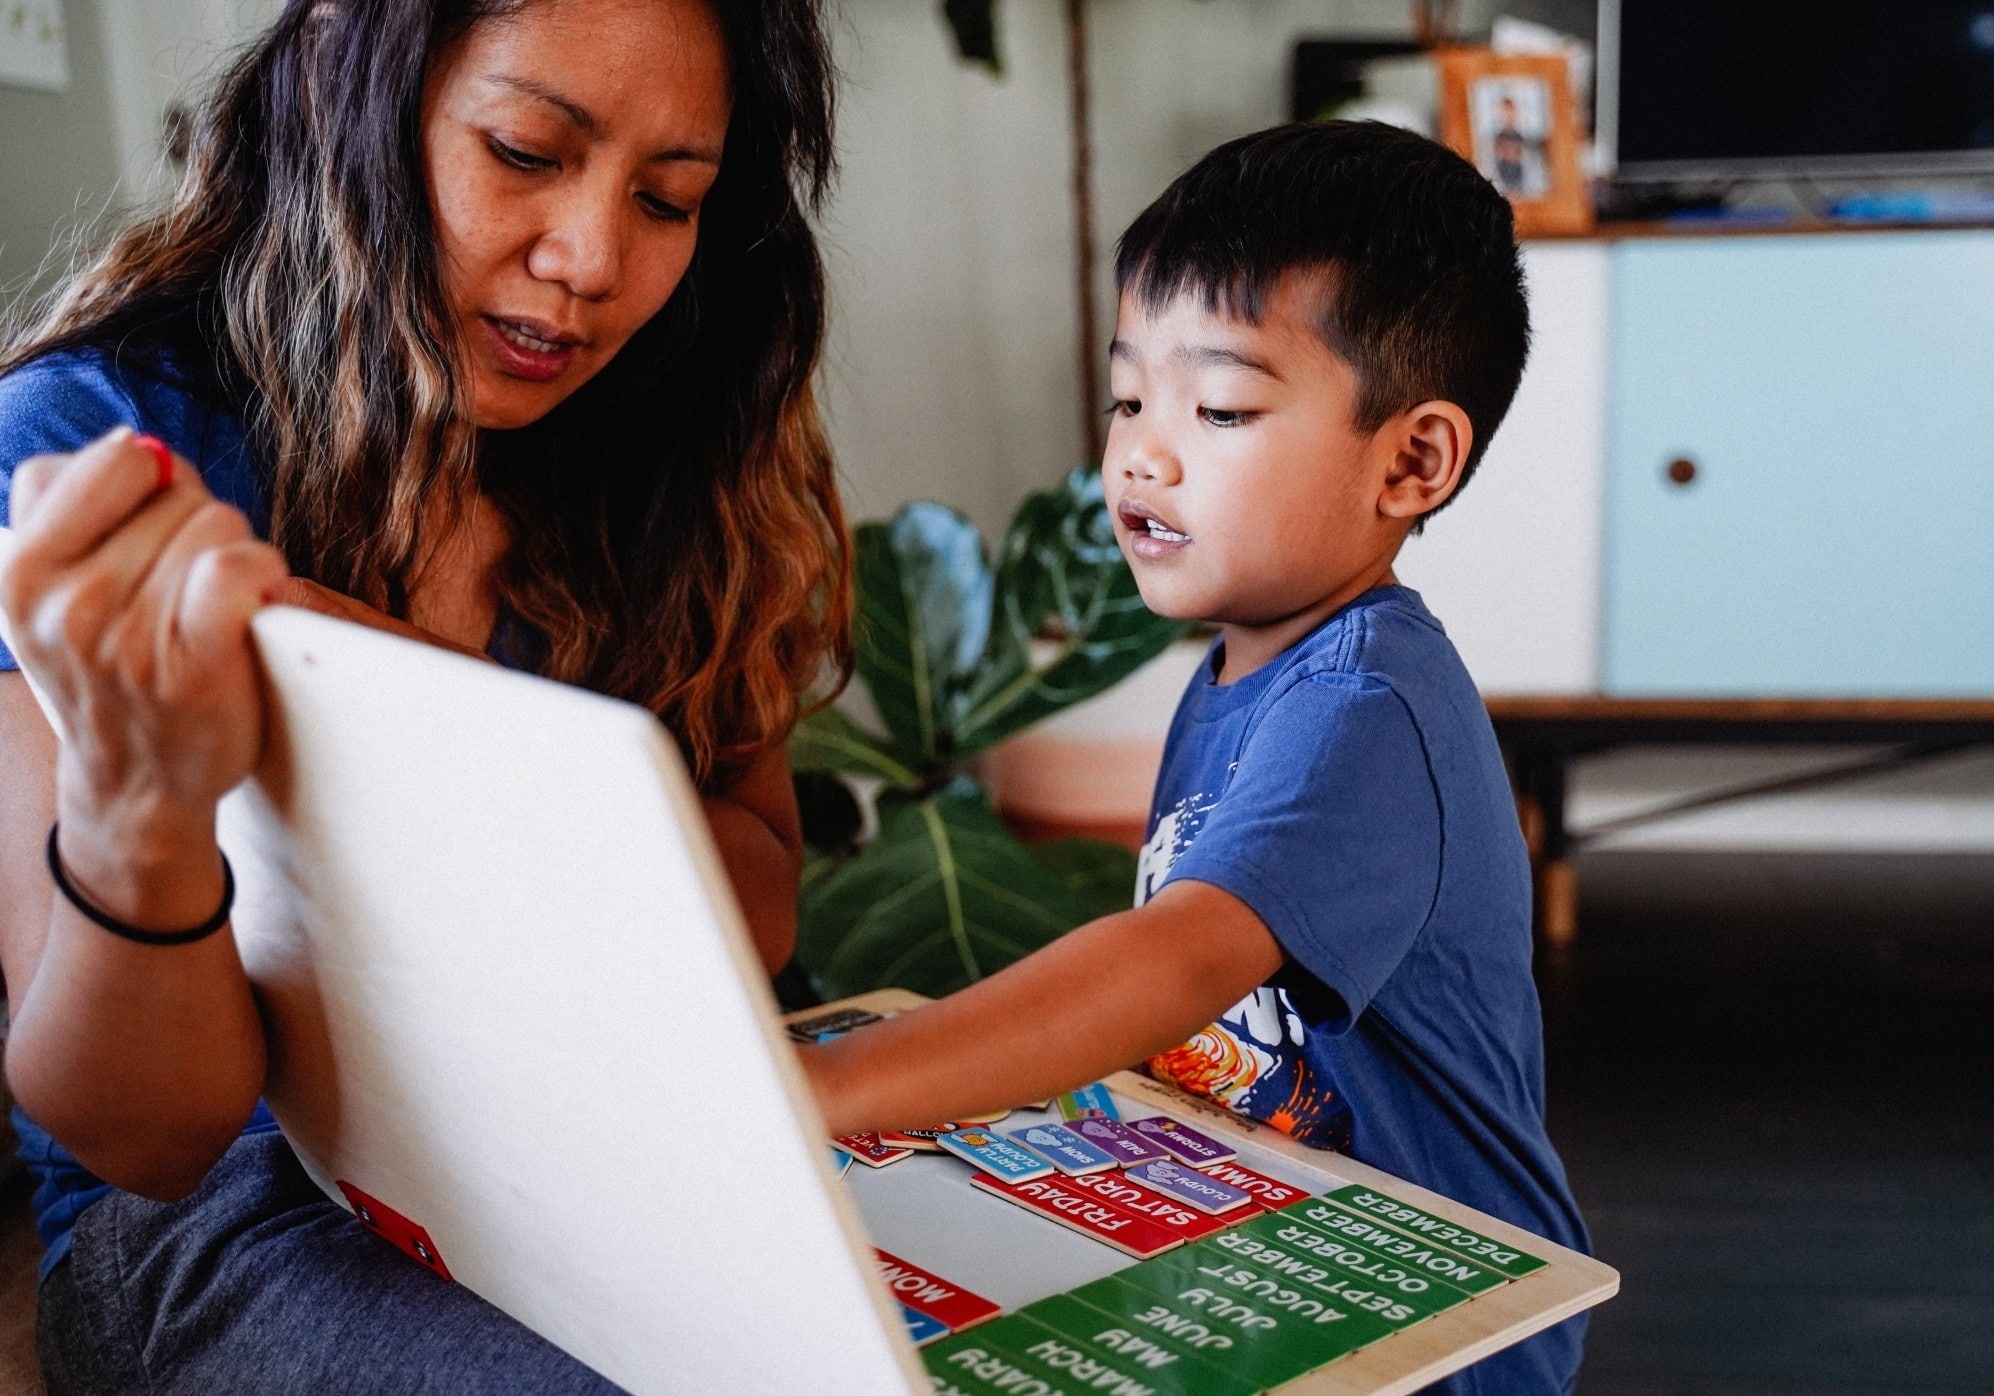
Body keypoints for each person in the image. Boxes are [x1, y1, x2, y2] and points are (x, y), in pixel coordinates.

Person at [0, 0, 848, 1389]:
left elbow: (752, 904)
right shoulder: (100, 451)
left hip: (592, 1155)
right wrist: (140, 810)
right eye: (524, 150)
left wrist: (355, 665)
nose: (589, 262)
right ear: (348, 79)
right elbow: (146, 1139)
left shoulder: (672, 446)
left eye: (666, 198)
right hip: (231, 1219)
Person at [803, 121, 1590, 1394]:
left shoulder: (1365, 708)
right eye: (1127, 397)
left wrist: (822, 1090)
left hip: (1430, 1322)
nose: (1141, 454)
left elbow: (1175, 957)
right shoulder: (1240, 664)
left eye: (1219, 406)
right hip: (1263, 1241)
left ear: (1413, 460)